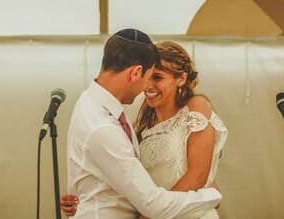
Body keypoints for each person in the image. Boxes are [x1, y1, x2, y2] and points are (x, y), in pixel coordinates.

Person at [64, 29, 221, 218]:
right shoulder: (110, 125)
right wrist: (211, 195)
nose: (147, 86)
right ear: (136, 72)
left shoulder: (90, 103)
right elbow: (150, 202)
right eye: (148, 77)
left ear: (181, 79)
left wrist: (86, 196)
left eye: (158, 77)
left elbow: (198, 174)